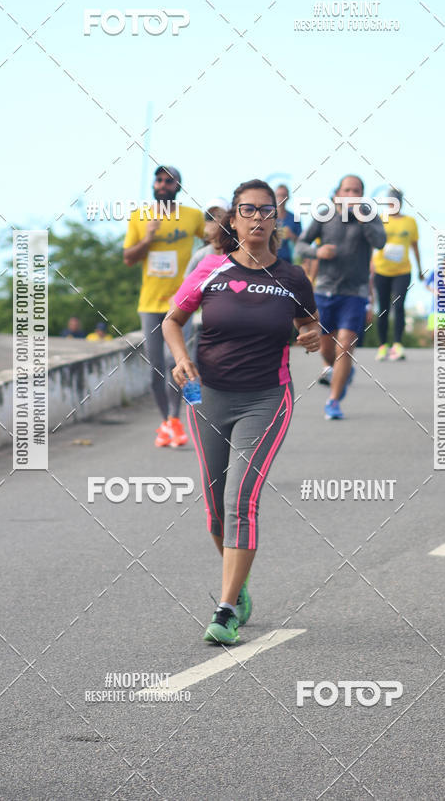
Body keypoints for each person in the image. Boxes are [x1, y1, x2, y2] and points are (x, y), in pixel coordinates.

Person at [162, 178, 320, 644]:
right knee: (215, 507)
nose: (257, 218)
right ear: (233, 219)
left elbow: (310, 326)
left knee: (240, 500)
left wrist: (312, 336)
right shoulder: (210, 268)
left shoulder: (293, 277)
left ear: (276, 219)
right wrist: (181, 358)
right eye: (247, 210)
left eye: (266, 210)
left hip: (266, 398)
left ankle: (226, 608)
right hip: (207, 395)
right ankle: (240, 582)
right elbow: (172, 320)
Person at [123, 165, 204, 448]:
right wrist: (148, 238)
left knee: (175, 361)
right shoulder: (139, 217)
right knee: (155, 367)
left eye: (168, 181)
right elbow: (128, 258)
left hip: (182, 302)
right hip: (149, 303)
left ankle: (175, 418)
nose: (162, 184)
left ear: (178, 186)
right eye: (158, 180)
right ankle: (167, 423)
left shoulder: (192, 216)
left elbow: (215, 242)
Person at [296, 174, 386, 419]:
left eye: (356, 191)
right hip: (324, 291)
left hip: (354, 293)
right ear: (337, 193)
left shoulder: (369, 215)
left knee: (344, 346)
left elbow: (380, 242)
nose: (351, 195)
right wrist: (317, 252)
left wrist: (363, 217)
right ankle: (339, 371)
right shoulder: (324, 215)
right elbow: (301, 245)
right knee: (326, 349)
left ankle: (333, 401)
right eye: (347, 190)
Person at [371, 187, 423, 361]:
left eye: (397, 200)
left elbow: (415, 246)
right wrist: (370, 266)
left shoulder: (410, 222)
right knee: (383, 308)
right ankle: (383, 345)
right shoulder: (380, 220)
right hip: (381, 270)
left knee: (399, 306)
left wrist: (420, 269)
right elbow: (372, 244)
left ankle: (398, 345)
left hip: (403, 271)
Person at [183, 199, 230, 276]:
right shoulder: (200, 255)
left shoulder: (237, 254)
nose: (215, 220)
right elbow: (187, 280)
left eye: (219, 216)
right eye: (209, 217)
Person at [274, 184, 301, 263]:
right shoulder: (267, 217)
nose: (281, 198)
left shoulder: (295, 218)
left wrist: (291, 235)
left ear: (288, 197)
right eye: (278, 195)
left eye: (283, 195)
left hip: (288, 261)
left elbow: (302, 242)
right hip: (269, 260)